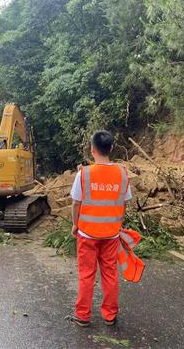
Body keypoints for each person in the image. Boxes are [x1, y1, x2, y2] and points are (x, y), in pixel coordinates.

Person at [68, 130, 132, 327]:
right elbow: (124, 203)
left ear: (92, 149)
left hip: (87, 234)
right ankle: (110, 315)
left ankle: (83, 316)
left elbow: (76, 203)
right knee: (110, 274)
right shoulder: (122, 173)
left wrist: (75, 224)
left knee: (86, 275)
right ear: (111, 148)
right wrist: (117, 224)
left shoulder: (84, 174)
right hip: (111, 235)